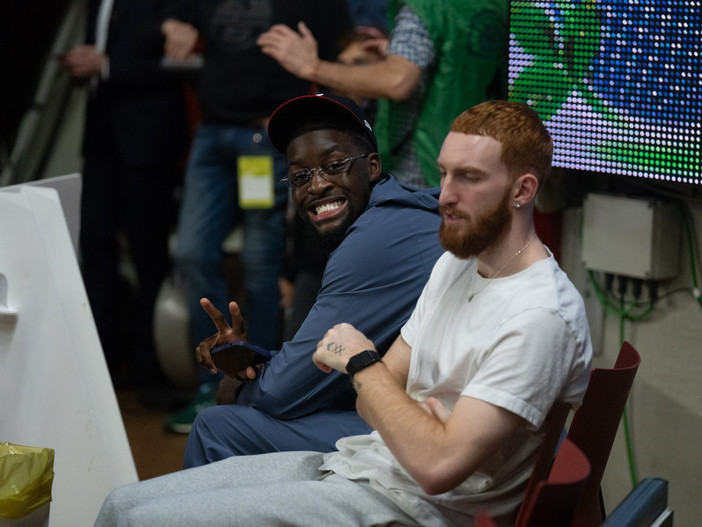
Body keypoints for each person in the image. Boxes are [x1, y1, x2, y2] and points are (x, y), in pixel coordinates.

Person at [94, 100, 592, 527]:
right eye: (443, 174)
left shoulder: (540, 316)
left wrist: (362, 366)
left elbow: (437, 464)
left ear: (523, 191)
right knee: (120, 504)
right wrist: (395, 399)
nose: (445, 196)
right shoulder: (458, 268)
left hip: (412, 507)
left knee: (139, 520)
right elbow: (376, 397)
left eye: (469, 178)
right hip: (372, 466)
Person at [181, 93, 444, 466]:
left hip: (435, 434)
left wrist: (237, 384)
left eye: (334, 165)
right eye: (300, 176)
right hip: (422, 407)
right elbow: (322, 364)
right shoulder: (395, 215)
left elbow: (283, 392)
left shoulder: (376, 239)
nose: (316, 186)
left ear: (371, 167)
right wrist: (252, 362)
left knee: (216, 425)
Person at [159, 0, 355, 432]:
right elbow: (175, 17)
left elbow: (341, 47)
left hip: (263, 134)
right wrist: (175, 21)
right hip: (211, 130)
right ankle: (213, 383)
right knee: (191, 253)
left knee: (260, 263)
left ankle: (259, 383)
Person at [60, 0, 189, 387]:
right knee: (95, 247)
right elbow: (101, 55)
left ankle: (150, 366)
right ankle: (98, 362)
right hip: (101, 141)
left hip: (147, 142)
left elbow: (178, 69)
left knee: (148, 253)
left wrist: (106, 66)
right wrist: (84, 64)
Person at [257, 0, 508, 188]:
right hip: (483, 155)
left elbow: (397, 80)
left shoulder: (424, 8)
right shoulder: (495, 5)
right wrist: (405, 54)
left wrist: (312, 67)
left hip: (426, 167)